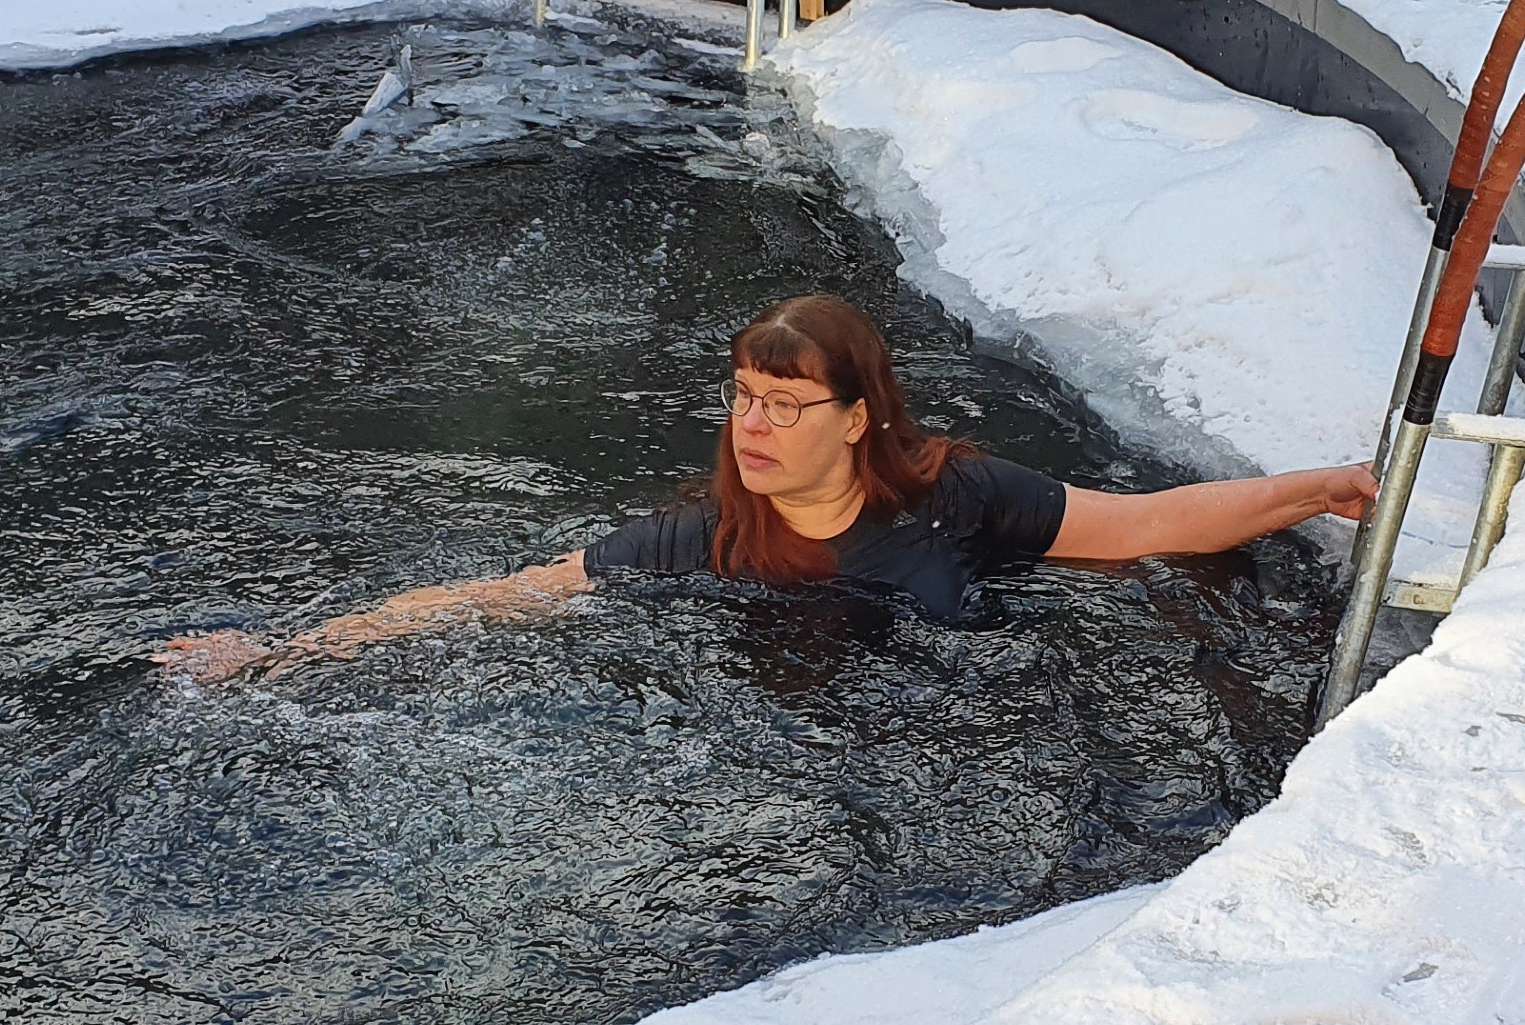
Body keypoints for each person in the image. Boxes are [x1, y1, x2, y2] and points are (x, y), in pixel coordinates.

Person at [153, 294, 1377, 683]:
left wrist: (1315, 488)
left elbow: (1142, 525)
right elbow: (513, 591)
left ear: (856, 418)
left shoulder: (953, 493)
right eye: (741, 395)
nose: (751, 425)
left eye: (784, 404)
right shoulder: (703, 537)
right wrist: (283, 652)